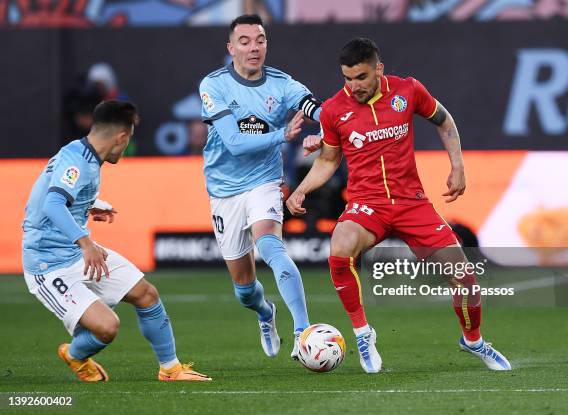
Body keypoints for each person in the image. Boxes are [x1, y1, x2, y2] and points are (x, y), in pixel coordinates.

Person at [286, 38, 511, 374]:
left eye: (361, 77)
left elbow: (445, 122)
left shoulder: (408, 91)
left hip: (411, 203)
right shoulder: (334, 109)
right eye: (347, 79)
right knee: (340, 246)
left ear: (378, 68)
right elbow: (328, 160)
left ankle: (473, 340)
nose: (354, 86)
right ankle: (363, 333)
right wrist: (301, 189)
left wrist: (458, 166)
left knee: (465, 279)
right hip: (367, 204)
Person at [22, 101, 210, 382]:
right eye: (129, 138)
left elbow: (53, 195)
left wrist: (89, 205)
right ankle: (75, 354)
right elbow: (52, 204)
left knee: (146, 294)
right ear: (121, 137)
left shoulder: (81, 153)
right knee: (107, 328)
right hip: (48, 265)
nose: (127, 146)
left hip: (75, 252)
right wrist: (85, 242)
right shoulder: (78, 162)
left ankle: (170, 369)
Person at [198, 13, 323, 359]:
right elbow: (235, 142)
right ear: (231, 48)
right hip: (224, 190)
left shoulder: (283, 84)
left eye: (261, 40)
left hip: (264, 182)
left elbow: (322, 110)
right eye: (245, 41)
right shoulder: (213, 85)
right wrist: (282, 136)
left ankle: (303, 332)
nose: (254, 47)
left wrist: (323, 133)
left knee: (271, 247)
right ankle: (266, 313)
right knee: (244, 290)